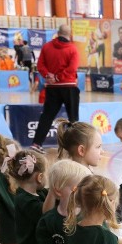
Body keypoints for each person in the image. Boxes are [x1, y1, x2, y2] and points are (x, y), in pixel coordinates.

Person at [31, 24, 80, 153]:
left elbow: (40, 64)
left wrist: (48, 75)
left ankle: (36, 143)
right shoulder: (73, 49)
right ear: (69, 34)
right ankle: (75, 147)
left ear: (57, 33)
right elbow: (72, 68)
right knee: (73, 118)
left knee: (47, 116)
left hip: (52, 88)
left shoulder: (46, 47)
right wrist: (59, 77)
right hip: (68, 86)